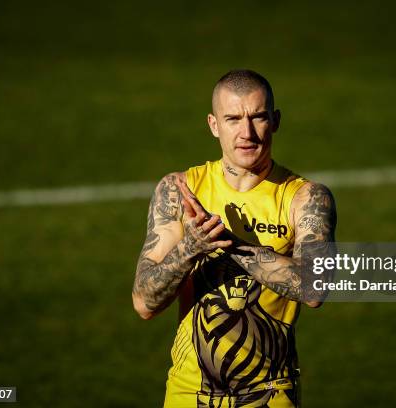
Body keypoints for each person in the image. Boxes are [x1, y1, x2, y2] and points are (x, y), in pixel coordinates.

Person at [132, 69, 337, 408]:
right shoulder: (180, 190)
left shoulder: (306, 198)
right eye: (232, 119)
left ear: (275, 120)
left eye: (258, 118)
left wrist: (229, 243)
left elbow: (315, 289)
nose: (247, 133)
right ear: (213, 125)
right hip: (189, 395)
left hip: (270, 396)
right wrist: (190, 247)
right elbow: (144, 303)